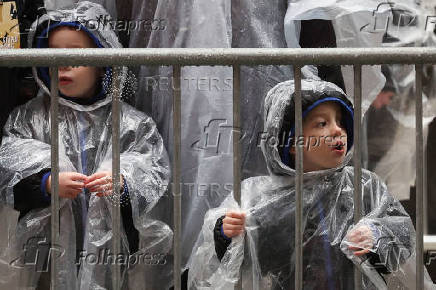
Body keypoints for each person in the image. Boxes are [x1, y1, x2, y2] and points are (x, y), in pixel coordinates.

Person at [188, 79, 434, 289]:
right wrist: (226, 235)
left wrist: (378, 238)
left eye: (340, 122)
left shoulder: (364, 187)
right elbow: (243, 263)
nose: (338, 131)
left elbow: (402, 239)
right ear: (291, 144)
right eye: (322, 123)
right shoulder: (262, 199)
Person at [0, 2, 171, 289]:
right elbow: (8, 168)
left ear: (102, 61)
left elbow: (154, 176)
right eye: (53, 56)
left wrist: (124, 184)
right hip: (45, 261)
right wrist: (45, 183)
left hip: (113, 264)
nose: (62, 65)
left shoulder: (131, 123)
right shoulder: (28, 118)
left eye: (76, 56)